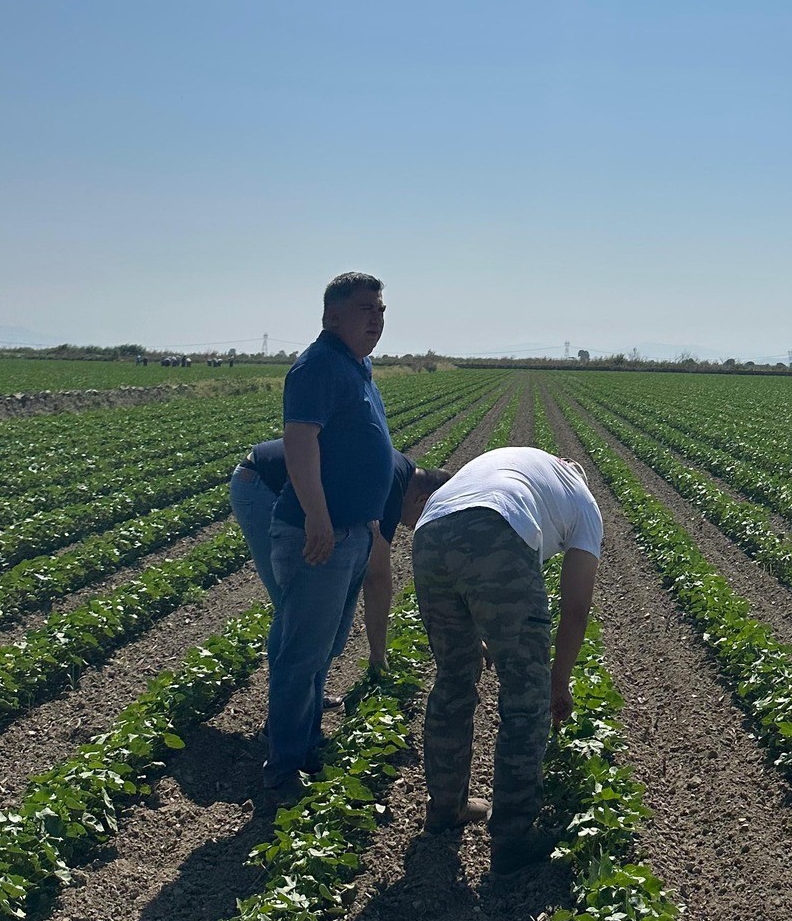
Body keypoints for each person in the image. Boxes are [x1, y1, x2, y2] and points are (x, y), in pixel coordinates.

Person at [411, 444, 602, 874]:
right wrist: (557, 683)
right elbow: (576, 608)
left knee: (454, 678)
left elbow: (469, 553)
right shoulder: (584, 503)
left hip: (430, 530)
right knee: (525, 696)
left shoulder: (518, 464)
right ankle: (513, 838)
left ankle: (445, 809)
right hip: (495, 525)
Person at [260, 271, 397, 797]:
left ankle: (307, 740)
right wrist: (317, 515)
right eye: (366, 309)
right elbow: (300, 442)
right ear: (331, 316)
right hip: (318, 534)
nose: (376, 319)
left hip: (350, 532)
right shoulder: (317, 366)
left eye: (381, 309)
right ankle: (285, 766)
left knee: (324, 648)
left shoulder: (357, 367)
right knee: (302, 651)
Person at [230, 438, 451, 677]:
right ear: (422, 499)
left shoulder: (400, 474)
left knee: (313, 608)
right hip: (261, 483)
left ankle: (306, 694)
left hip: (286, 488)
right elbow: (376, 577)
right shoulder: (391, 484)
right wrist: (378, 654)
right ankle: (291, 702)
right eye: (428, 515)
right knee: (293, 606)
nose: (417, 526)